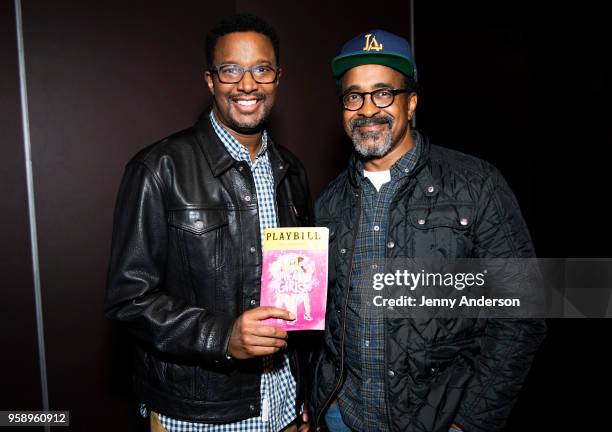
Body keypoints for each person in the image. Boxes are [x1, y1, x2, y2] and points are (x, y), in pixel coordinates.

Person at [308, 30, 546, 432]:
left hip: (439, 419)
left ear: (412, 101)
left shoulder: (476, 184)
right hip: (341, 417)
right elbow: (322, 323)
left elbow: (523, 314)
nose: (368, 109)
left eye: (383, 93)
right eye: (354, 96)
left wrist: (469, 423)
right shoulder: (328, 203)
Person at [105, 13, 312, 432]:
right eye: (231, 69)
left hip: (285, 408)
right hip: (198, 416)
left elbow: (300, 296)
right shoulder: (158, 168)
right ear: (210, 80)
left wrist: (303, 394)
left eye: (261, 69)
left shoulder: (291, 170)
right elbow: (128, 300)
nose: (248, 84)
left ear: (278, 77)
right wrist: (223, 336)